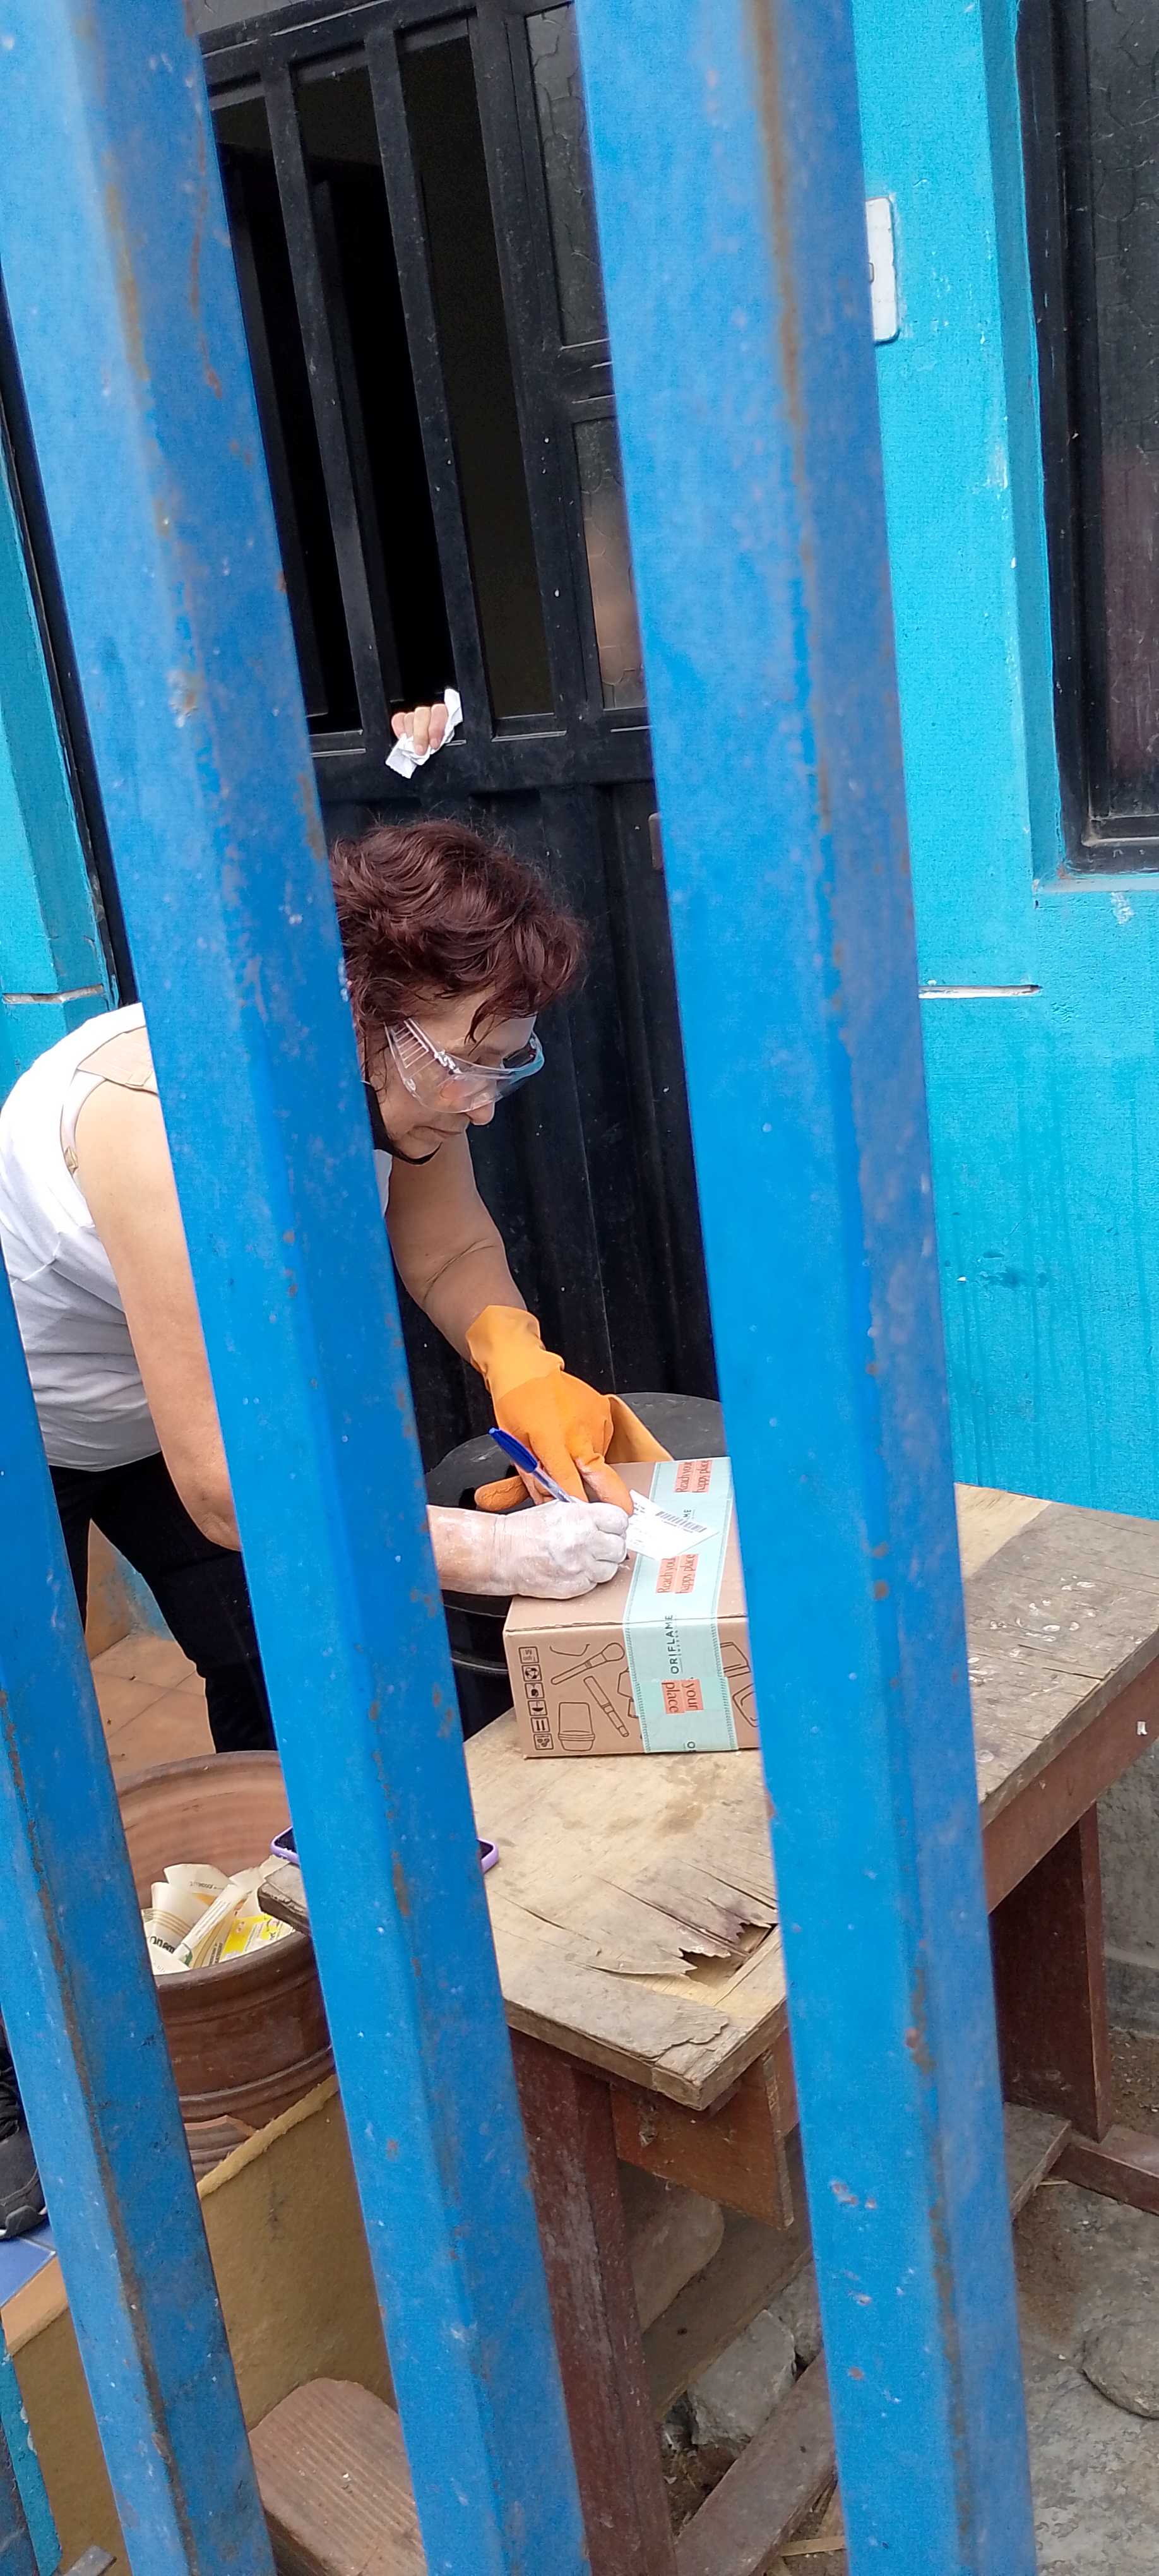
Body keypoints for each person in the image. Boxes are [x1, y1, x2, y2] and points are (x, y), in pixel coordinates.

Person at [0, 809, 666, 2235]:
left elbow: (450, 1239)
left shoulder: (400, 1080)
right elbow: (232, 1489)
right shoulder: (159, 1115)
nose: (488, 1100)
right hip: (28, 1415)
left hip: (167, 1403)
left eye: (513, 1060)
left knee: (280, 1661)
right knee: (16, 1761)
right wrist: (496, 1551)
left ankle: (303, 1951)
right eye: (475, 1057)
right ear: (365, 1006)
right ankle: (13, 2093)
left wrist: (518, 1359)